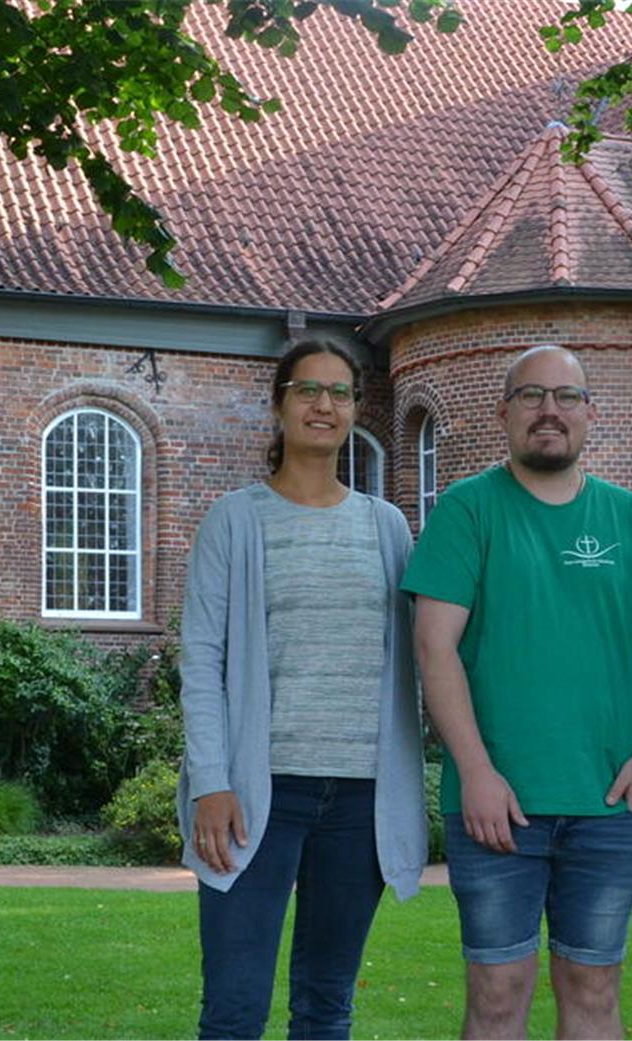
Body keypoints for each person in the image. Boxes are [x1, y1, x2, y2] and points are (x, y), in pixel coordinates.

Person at [404, 344, 632, 1040]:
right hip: (499, 807)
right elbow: (433, 646)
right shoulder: (467, 510)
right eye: (531, 396)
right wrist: (473, 771)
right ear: (504, 412)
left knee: (594, 990)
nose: (549, 410)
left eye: (565, 396)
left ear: (591, 412)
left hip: (608, 805)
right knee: (497, 995)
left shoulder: (630, 518)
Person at [178, 335, 429, 1041]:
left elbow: (424, 650)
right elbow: (200, 657)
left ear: (355, 408)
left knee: (326, 1006)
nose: (325, 404)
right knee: (234, 1006)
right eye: (308, 390)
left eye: (340, 392)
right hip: (258, 797)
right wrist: (211, 781)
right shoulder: (235, 519)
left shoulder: (387, 527)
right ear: (279, 405)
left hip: (361, 799)